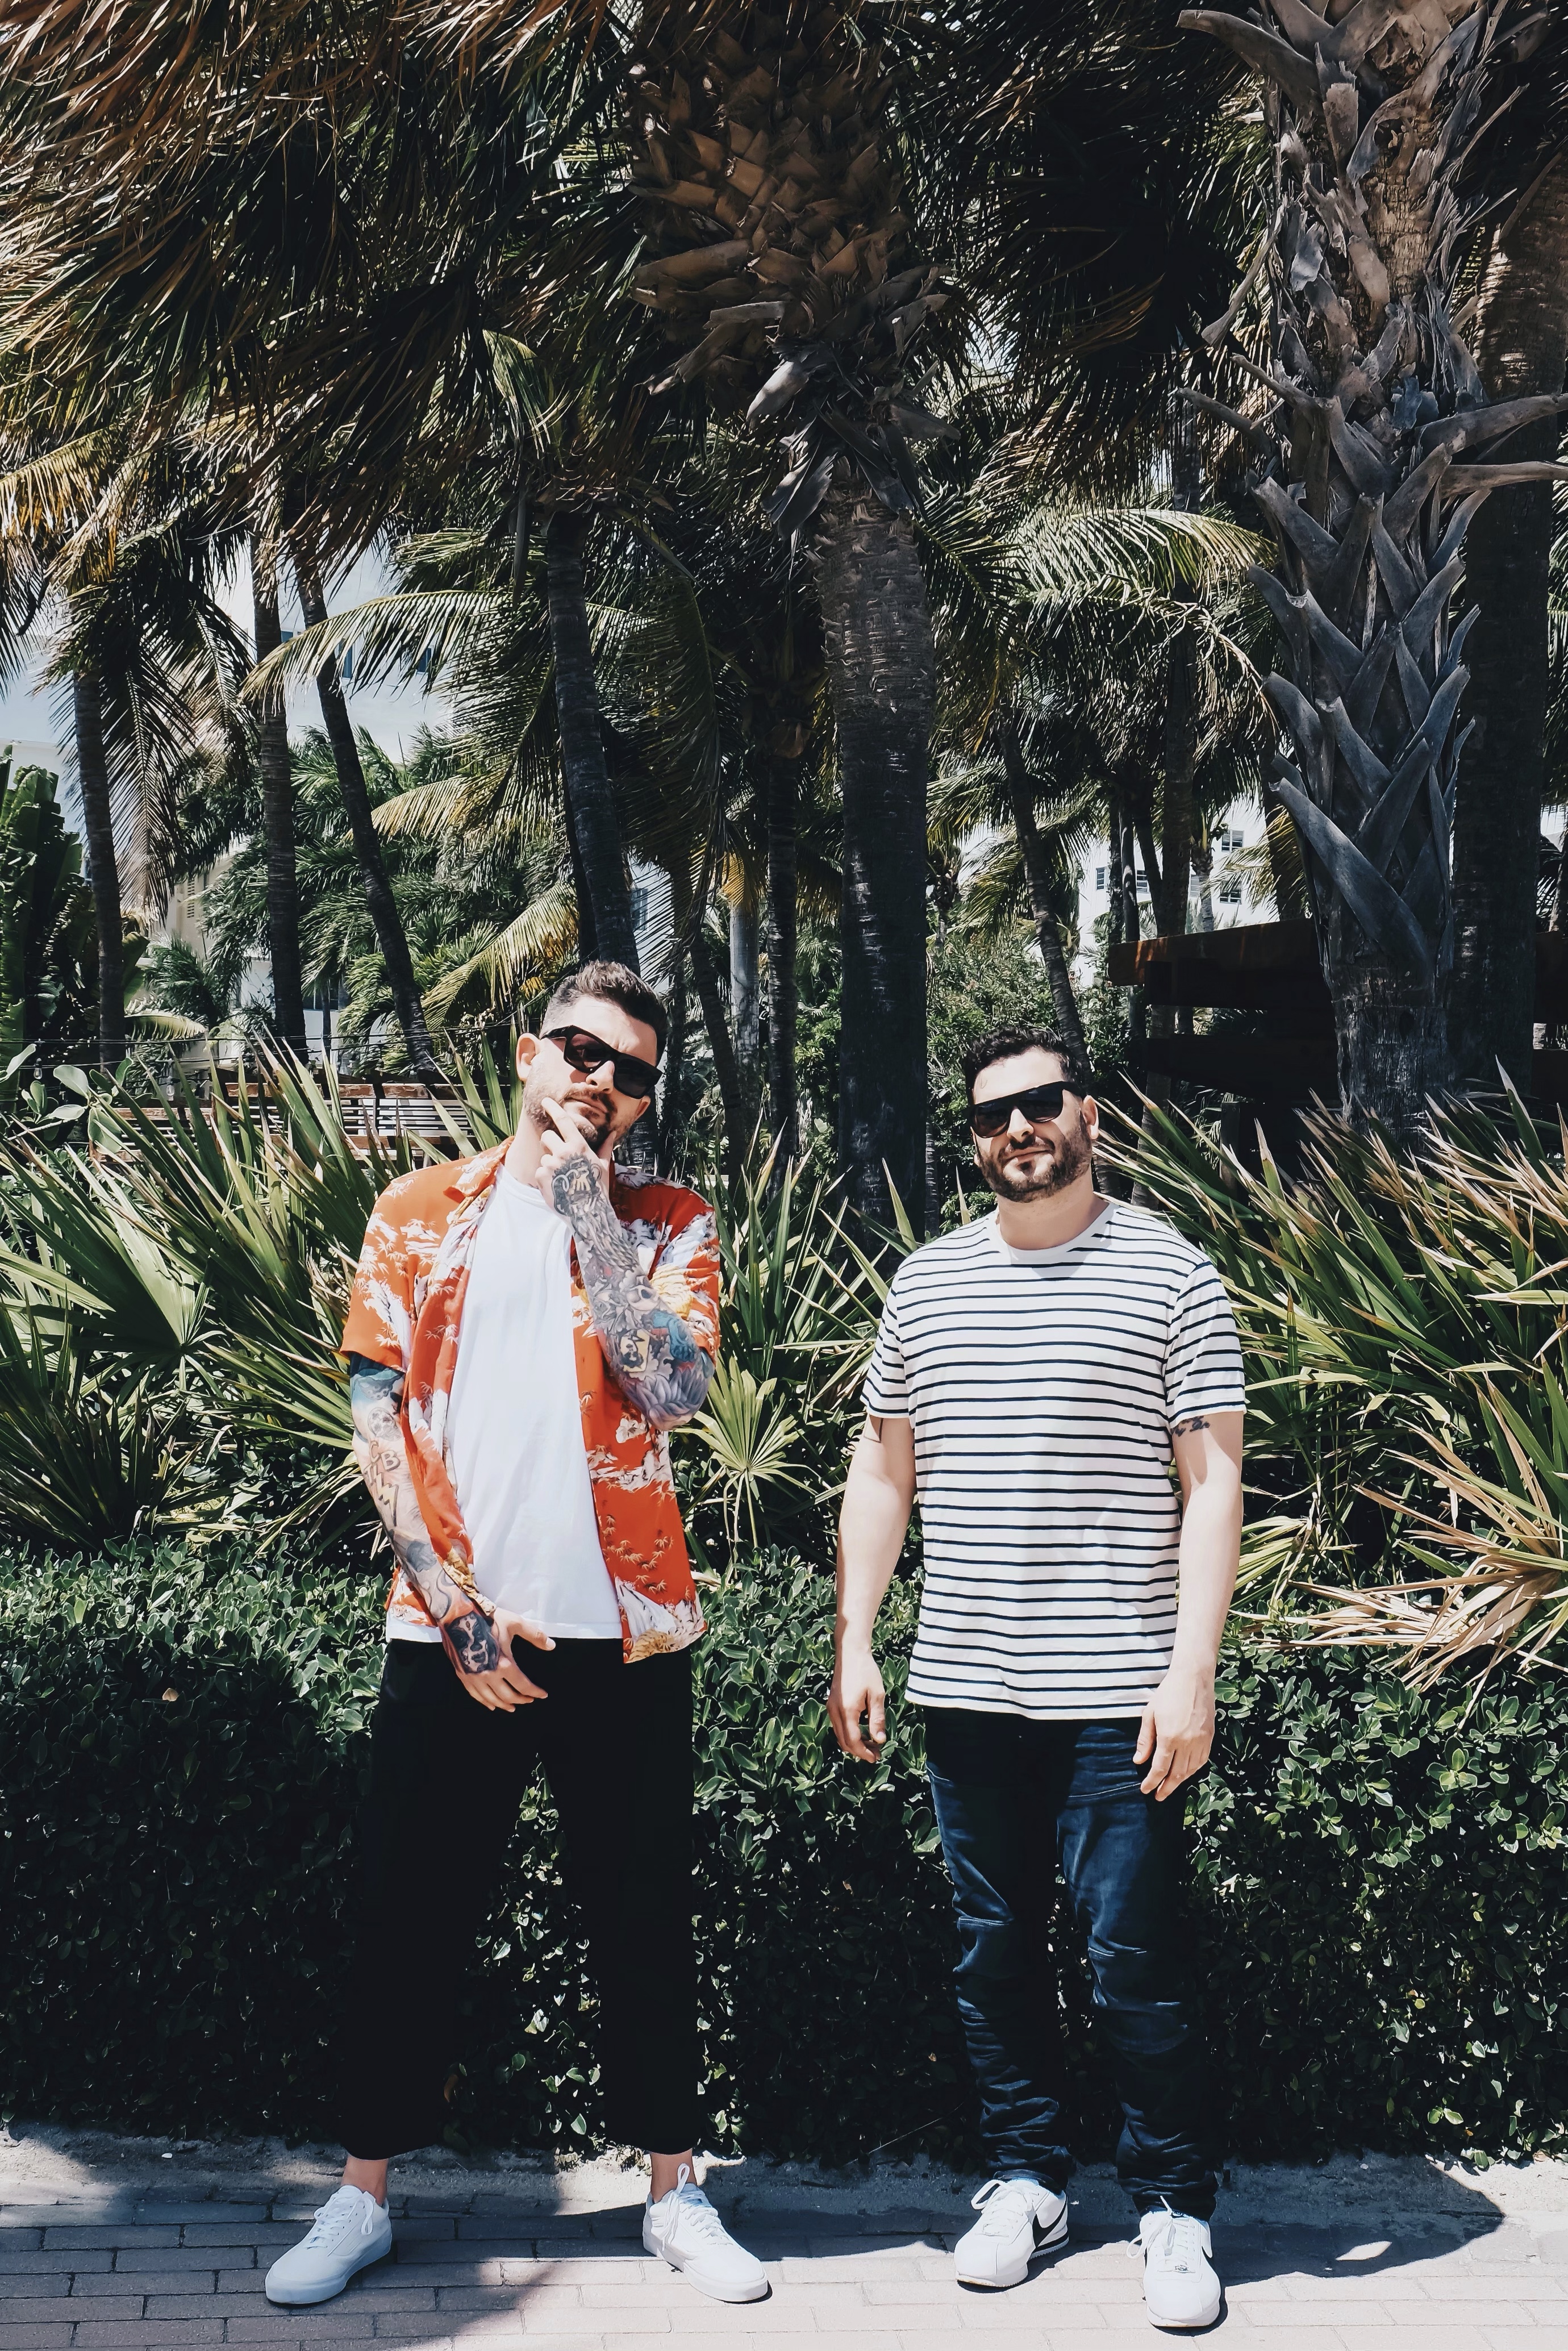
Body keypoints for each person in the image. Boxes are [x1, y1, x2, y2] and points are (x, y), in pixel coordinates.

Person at [265, 961, 767, 2312]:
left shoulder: (668, 1222)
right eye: (581, 1051)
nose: (602, 1082)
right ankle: (362, 2194)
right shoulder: (418, 1211)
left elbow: (672, 1388)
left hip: (627, 1638)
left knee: (645, 1918)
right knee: (407, 1917)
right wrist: (455, 1607)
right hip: (452, 1629)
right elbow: (378, 1419)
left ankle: (675, 2189)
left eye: (632, 1071)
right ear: (530, 1050)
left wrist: (593, 1213)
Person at [829, 1024, 1244, 2333]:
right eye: (993, 1112)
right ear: (974, 1140)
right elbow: (883, 1467)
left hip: (1121, 1694)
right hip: (967, 1688)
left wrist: (1192, 1672)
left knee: (1132, 1960)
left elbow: (1214, 1482)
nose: (1019, 1126)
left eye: (1042, 1099)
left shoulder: (1173, 1272)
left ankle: (1173, 2203)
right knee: (994, 1953)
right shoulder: (928, 1284)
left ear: (1089, 1114)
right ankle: (1029, 2180)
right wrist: (855, 1634)